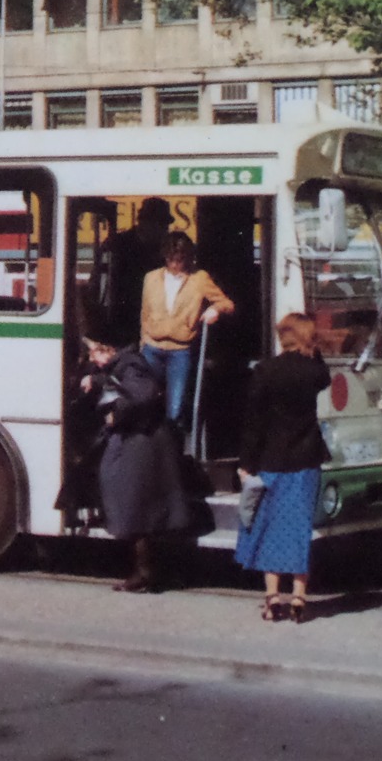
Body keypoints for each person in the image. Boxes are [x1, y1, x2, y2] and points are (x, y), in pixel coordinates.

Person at [235, 312, 332, 622]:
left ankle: (273, 597)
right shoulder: (313, 372)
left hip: (270, 461)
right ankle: (300, 597)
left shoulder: (265, 371)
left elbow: (253, 423)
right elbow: (324, 376)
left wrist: (246, 464)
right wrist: (313, 349)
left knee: (268, 526)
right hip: (306, 461)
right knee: (298, 528)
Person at [80, 322, 189, 592]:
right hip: (141, 441)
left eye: (95, 352)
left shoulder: (129, 364)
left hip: (139, 443)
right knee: (140, 509)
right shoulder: (122, 364)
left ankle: (144, 574)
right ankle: (148, 572)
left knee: (133, 507)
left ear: (109, 349)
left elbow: (143, 394)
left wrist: (117, 413)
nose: (93, 358)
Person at [140, 232, 234, 427]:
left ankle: (172, 450)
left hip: (180, 351)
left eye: (180, 260)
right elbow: (145, 312)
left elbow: (227, 303)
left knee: (175, 407)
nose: (175, 265)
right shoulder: (151, 278)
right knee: (146, 403)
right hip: (151, 348)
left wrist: (215, 309)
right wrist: (143, 343)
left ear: (188, 258)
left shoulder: (199, 279)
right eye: (171, 259)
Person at [109, 197, 174, 346]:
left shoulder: (167, 246)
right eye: (161, 224)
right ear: (145, 222)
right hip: (125, 319)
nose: (165, 229)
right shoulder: (120, 244)